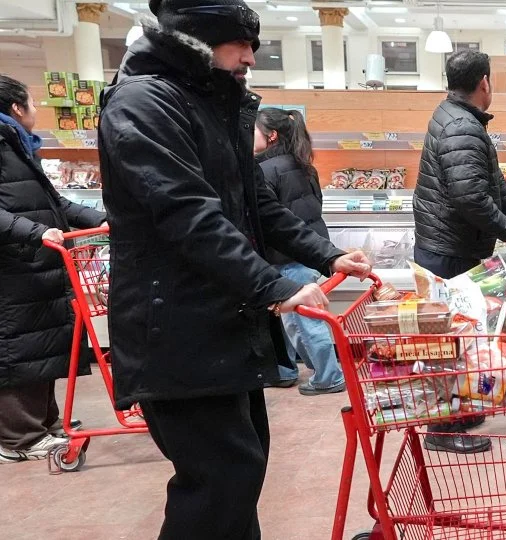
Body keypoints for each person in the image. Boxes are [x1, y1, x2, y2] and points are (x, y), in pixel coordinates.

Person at [98, 4, 370, 538]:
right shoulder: (144, 102)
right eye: (239, 44)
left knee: (240, 472)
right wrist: (272, 285)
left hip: (221, 321)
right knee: (219, 480)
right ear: (196, 40)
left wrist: (327, 255)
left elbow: (258, 205)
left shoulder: (209, 103)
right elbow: (187, 213)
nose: (250, 56)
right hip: (173, 327)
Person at [413, 49, 506, 454]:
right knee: (449, 342)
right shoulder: (463, 126)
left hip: (448, 246)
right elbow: (472, 198)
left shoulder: (456, 118)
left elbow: (491, 180)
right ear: (485, 83)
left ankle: (457, 411)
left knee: (459, 337)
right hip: (449, 251)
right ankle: (443, 429)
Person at [0, 75, 106, 463]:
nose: (36, 110)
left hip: (32, 267)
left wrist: (102, 218)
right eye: (32, 102)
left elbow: (55, 203)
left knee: (39, 349)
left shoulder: (17, 146)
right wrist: (36, 231)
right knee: (17, 352)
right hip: (13, 268)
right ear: (16, 108)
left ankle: (45, 425)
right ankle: (19, 438)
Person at [254, 107, 345, 395]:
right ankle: (312, 371)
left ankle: (329, 377)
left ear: (271, 135)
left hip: (286, 258)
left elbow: (270, 221)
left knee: (302, 323)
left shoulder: (265, 171)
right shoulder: (304, 165)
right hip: (308, 253)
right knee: (306, 320)